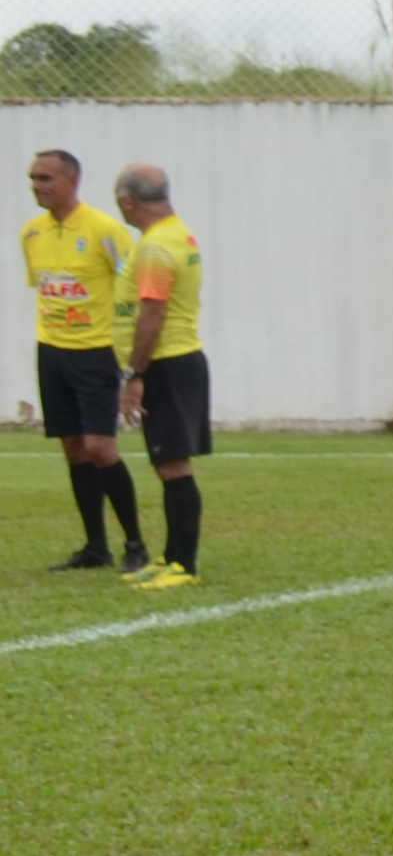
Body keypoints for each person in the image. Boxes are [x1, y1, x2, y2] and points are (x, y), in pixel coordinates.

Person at [20, 150, 145, 572]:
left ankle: (135, 543)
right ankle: (96, 547)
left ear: (72, 180)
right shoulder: (32, 233)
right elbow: (47, 289)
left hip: (96, 353)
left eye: (45, 178)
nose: (37, 185)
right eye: (33, 178)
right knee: (74, 449)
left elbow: (132, 289)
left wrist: (131, 357)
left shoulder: (105, 230)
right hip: (52, 352)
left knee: (99, 447)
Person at [110, 164, 206, 590]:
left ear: (129, 201)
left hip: (166, 363)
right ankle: (170, 556)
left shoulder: (154, 248)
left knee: (173, 464)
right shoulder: (175, 234)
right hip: (177, 361)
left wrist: (135, 374)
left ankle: (184, 565)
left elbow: (153, 313)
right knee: (168, 462)